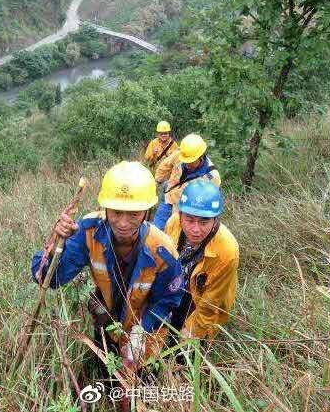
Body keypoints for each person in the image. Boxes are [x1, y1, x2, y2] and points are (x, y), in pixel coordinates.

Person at [31, 161, 183, 373]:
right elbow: (48, 278)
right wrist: (56, 242)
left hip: (146, 336)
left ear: (147, 212)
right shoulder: (89, 231)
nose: (123, 223)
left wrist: (142, 331)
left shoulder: (163, 251)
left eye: (133, 214)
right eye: (116, 212)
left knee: (139, 388)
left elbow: (168, 301)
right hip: (106, 325)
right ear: (105, 208)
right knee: (107, 378)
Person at [164, 179, 239, 342]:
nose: (195, 230)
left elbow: (209, 306)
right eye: (189, 220)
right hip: (176, 290)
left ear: (215, 220)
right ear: (180, 214)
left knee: (184, 350)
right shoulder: (173, 224)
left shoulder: (227, 251)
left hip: (199, 301)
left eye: (204, 222)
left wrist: (191, 332)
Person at [153, 133, 220, 230]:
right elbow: (165, 165)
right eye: (185, 160)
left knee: (173, 237)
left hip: (184, 211)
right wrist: (158, 180)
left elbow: (205, 205)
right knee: (156, 231)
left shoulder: (212, 177)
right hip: (168, 198)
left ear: (200, 155)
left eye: (191, 161)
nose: (187, 163)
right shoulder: (180, 154)